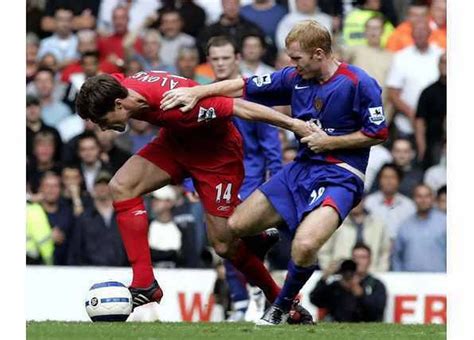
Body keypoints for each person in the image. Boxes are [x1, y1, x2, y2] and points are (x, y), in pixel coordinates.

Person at [160, 20, 388, 325]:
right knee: (235, 226)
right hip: (301, 169)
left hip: (341, 175)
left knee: (305, 245)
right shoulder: (295, 78)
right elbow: (244, 85)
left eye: (297, 58)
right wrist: (199, 92)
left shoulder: (359, 82)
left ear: (319, 54)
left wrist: (330, 141)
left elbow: (379, 133)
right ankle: (268, 238)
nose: (291, 65)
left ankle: (281, 306)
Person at [75, 68, 311, 316]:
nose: (103, 129)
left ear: (118, 104)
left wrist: (293, 124)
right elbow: (109, 77)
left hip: (217, 157)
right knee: (121, 186)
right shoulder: (119, 86)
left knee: (223, 245)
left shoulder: (179, 105)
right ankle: (145, 283)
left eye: (102, 121)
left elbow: (240, 108)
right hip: (175, 143)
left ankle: (280, 296)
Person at [203, 35, 283, 322]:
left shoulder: (253, 92)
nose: (221, 63)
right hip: (216, 181)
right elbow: (196, 145)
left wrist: (273, 178)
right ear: (209, 61)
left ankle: (252, 298)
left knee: (237, 240)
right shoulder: (203, 94)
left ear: (237, 58)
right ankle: (243, 300)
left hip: (250, 181)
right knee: (224, 247)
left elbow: (270, 138)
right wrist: (190, 183)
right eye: (216, 59)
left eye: (226, 58)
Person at [386, 19, 444, 137]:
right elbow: (392, 93)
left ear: (430, 33)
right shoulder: (401, 57)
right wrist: (413, 114)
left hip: (436, 123)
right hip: (406, 125)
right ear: (411, 33)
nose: (420, 33)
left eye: (423, 30)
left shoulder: (441, 54)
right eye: (417, 31)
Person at [309, 243, 387, 322]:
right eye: (355, 257)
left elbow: (377, 312)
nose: (358, 261)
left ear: (370, 260)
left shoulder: (375, 284)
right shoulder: (338, 284)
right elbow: (315, 299)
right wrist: (325, 277)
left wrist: (361, 294)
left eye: (363, 257)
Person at [68, 171, 128, 266]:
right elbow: (75, 249)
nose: (103, 188)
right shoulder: (84, 217)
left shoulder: (123, 216)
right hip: (91, 271)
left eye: (106, 184)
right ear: (93, 188)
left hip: (121, 270)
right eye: (99, 184)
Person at [318, 199, 391, 272]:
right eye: (352, 200)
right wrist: (329, 270)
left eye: (358, 199)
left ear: (364, 200)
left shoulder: (378, 224)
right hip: (341, 274)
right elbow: (324, 250)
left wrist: (380, 271)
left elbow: (385, 251)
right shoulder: (336, 222)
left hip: (372, 273)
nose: (355, 203)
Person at [344, 15, 393, 115]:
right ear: (365, 31)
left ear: (382, 31)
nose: (373, 32)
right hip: (355, 110)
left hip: (380, 110)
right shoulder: (354, 51)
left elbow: (392, 90)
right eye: (369, 28)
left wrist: (387, 116)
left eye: (376, 28)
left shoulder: (391, 56)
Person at [391, 184, 446, 272]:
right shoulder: (405, 225)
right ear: (413, 199)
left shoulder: (445, 222)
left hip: (439, 280)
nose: (423, 200)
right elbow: (397, 257)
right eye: (419, 196)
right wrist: (400, 279)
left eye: (427, 196)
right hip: (410, 281)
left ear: (433, 199)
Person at [364, 163, 416, 240]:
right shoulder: (369, 202)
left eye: (392, 177)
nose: (389, 181)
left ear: (399, 180)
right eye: (385, 177)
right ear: (379, 180)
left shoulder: (409, 205)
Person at [415, 53, 446, 169]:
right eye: (442, 62)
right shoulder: (428, 92)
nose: (445, 65)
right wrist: (422, 147)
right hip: (434, 144)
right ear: (438, 65)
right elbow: (419, 122)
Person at [38, 171, 75, 265]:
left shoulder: (68, 213)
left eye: (55, 186)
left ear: (60, 189)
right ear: (40, 189)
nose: (51, 190)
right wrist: (48, 237)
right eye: (47, 186)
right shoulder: (31, 212)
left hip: (64, 268)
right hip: (35, 268)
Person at [148, 186, 183, 268]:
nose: (154, 202)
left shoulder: (181, 228)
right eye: (153, 199)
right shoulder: (147, 226)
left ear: (169, 203)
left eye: (158, 199)